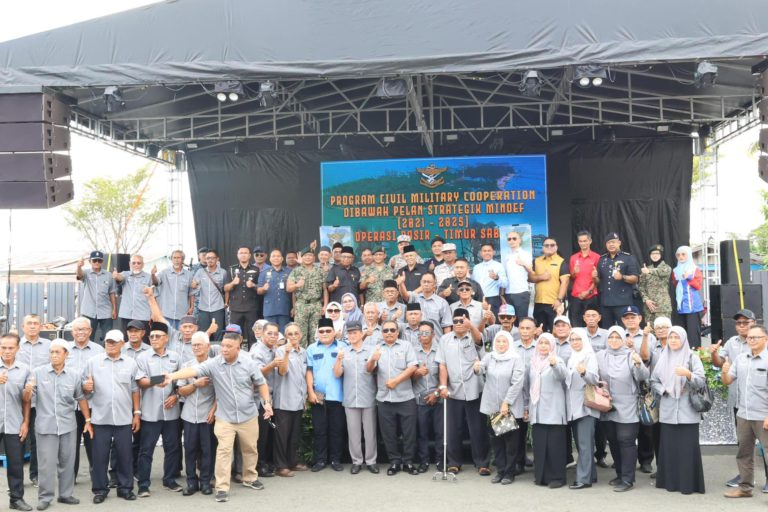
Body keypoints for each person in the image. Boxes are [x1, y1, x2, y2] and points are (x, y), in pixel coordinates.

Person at [163, 331, 274, 503]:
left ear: (238, 348)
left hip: (248, 415)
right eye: (222, 345)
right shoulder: (213, 364)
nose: (224, 349)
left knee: (250, 448)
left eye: (229, 346)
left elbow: (261, 383)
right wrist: (172, 376)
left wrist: (266, 403)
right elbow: (193, 370)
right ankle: (222, 487)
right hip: (225, 417)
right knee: (223, 451)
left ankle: (250, 477)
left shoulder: (248, 363)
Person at [25, 339, 90, 510]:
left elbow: (81, 398)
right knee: (46, 463)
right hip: (45, 426)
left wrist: (88, 420)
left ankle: (65, 494)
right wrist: (27, 390)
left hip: (68, 425)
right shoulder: (38, 373)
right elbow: (26, 399)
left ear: (66, 355)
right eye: (51, 352)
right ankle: (45, 497)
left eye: (57, 352)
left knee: (67, 461)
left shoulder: (74, 375)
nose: (53, 355)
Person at [82, 329, 141, 504]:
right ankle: (100, 490)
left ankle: (125, 488)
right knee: (99, 457)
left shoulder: (131, 363)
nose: (110, 345)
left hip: (123, 418)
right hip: (100, 418)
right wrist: (87, 387)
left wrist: (136, 413)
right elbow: (84, 390)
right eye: (108, 341)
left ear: (123, 344)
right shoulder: (93, 362)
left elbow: (135, 390)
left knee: (125, 455)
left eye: (114, 342)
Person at [709, 308, 762, 488]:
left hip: (762, 405)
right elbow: (720, 364)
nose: (741, 326)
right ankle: (745, 478)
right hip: (739, 403)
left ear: (753, 323)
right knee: (744, 444)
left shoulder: (762, 343)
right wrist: (714, 353)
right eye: (738, 323)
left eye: (745, 322)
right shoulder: (732, 343)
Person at [650, 326, 706, 495]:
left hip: (687, 411)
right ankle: (670, 482)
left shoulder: (692, 357)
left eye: (676, 337)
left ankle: (688, 484)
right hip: (668, 410)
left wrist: (688, 374)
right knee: (670, 448)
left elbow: (701, 382)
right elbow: (654, 381)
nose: (673, 340)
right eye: (671, 337)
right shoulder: (662, 357)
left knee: (687, 449)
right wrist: (664, 390)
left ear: (683, 339)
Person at [436, 308, 491, 475]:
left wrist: (471, 326)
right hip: (453, 390)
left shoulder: (473, 336)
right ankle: (454, 462)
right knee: (454, 429)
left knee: (478, 429)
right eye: (456, 321)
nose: (459, 324)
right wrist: (443, 386)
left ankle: (482, 463)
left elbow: (480, 340)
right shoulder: (445, 339)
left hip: (475, 390)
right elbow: (442, 364)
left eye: (462, 320)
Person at [596, 325, 649, 492]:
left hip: (628, 403)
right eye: (611, 337)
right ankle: (619, 473)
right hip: (607, 404)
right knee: (613, 440)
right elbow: (595, 377)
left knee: (626, 440)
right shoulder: (600, 355)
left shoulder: (630, 355)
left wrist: (639, 364)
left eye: (617, 337)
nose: (613, 341)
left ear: (623, 339)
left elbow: (643, 377)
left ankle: (628, 479)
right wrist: (601, 388)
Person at [134, 322, 182, 497]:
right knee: (146, 450)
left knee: (173, 448)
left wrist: (176, 396)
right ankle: (143, 484)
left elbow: (180, 381)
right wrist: (158, 380)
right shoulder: (142, 358)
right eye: (151, 336)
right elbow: (140, 381)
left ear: (166, 339)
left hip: (171, 412)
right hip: (150, 413)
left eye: (157, 336)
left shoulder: (175, 356)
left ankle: (169, 480)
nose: (154, 339)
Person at [367, 320, 419, 475]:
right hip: (384, 398)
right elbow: (369, 369)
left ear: (397, 332)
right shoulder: (376, 348)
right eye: (385, 330)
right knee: (389, 434)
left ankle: (408, 462)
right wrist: (372, 359)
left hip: (405, 397)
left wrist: (396, 381)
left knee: (409, 433)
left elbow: (413, 367)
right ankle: (395, 462)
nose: (389, 333)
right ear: (382, 333)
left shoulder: (406, 346)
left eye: (392, 330)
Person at [722, 324, 768, 499]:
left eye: (756, 337)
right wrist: (724, 372)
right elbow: (728, 381)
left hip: (763, 415)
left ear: (766, 339)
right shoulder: (741, 358)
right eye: (749, 337)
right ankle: (745, 488)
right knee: (744, 453)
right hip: (743, 415)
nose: (751, 340)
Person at [476, 331, 525, 485]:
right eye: (498, 341)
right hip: (493, 406)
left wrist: (507, 402)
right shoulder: (490, 356)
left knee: (510, 443)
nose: (501, 344)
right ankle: (501, 471)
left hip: (508, 408)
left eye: (504, 342)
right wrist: (477, 367)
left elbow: (517, 382)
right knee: (496, 441)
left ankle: (510, 473)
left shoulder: (516, 359)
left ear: (509, 343)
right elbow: (480, 368)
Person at [334, 322, 378, 474]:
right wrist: (339, 359)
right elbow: (337, 373)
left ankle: (371, 461)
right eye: (349, 333)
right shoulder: (343, 351)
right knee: (353, 433)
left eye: (355, 333)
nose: (352, 336)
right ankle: (357, 461)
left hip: (368, 397)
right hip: (351, 398)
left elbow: (372, 369)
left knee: (370, 432)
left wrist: (373, 360)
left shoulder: (371, 351)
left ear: (361, 334)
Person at [176, 332, 216, 496]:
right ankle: (191, 482)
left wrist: (214, 409)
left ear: (208, 346)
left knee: (208, 450)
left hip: (208, 415)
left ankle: (206, 481)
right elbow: (181, 391)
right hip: (189, 415)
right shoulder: (187, 366)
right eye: (194, 345)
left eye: (200, 344)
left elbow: (222, 393)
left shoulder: (215, 366)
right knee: (190, 450)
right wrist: (196, 384)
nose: (196, 348)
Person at [65, 318, 104, 483]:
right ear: (72, 331)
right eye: (77, 329)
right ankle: (69, 478)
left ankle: (97, 477)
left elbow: (104, 375)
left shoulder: (99, 350)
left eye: (84, 329)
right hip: (68, 406)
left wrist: (93, 385)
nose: (80, 332)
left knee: (93, 443)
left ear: (90, 331)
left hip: (91, 404)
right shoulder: (63, 349)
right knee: (69, 445)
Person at [305, 317, 347, 472]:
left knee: (337, 429)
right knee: (319, 430)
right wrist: (310, 391)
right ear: (317, 332)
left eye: (328, 330)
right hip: (318, 396)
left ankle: (335, 459)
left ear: (334, 332)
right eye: (321, 331)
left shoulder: (343, 347)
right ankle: (321, 460)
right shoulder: (311, 349)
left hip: (338, 395)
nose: (324, 333)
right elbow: (309, 371)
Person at [527, 333, 568, 488]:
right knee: (540, 445)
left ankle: (557, 477)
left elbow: (563, 376)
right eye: (541, 343)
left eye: (546, 343)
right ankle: (541, 477)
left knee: (555, 446)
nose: (543, 346)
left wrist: (554, 365)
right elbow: (528, 385)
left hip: (554, 410)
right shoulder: (533, 362)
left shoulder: (558, 360)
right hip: (537, 410)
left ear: (552, 345)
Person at [0, 332, 33, 512]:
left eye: (10, 348)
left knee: (15, 464)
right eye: (3, 347)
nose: (6, 351)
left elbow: (26, 400)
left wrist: (26, 422)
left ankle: (16, 499)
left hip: (14, 423)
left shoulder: (25, 370)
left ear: (18, 349)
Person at [564, 329, 599, 490]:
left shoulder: (589, 356)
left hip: (586, 406)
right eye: (572, 339)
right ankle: (591, 474)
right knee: (581, 444)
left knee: (584, 444)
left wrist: (584, 372)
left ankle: (583, 479)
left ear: (584, 340)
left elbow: (595, 379)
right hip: (573, 406)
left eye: (578, 339)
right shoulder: (572, 357)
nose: (575, 342)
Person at [18, 314, 51, 488]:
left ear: (41, 327)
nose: (32, 326)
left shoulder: (49, 346)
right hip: (18, 400)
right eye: (29, 323)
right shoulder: (15, 346)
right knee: (17, 439)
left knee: (38, 438)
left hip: (40, 401)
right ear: (22, 326)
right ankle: (16, 478)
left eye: (36, 323)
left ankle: (35, 474)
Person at [271, 323, 308, 477]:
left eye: (295, 333)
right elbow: (282, 371)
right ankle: (281, 466)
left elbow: (304, 376)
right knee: (282, 435)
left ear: (300, 335)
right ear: (286, 336)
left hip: (298, 399)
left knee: (294, 434)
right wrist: (286, 354)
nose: (293, 337)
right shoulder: (280, 351)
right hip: (284, 400)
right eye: (290, 334)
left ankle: (292, 461)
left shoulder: (304, 352)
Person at [248, 323, 282, 478]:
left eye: (276, 334)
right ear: (261, 334)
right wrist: (273, 364)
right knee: (260, 434)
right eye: (270, 333)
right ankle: (259, 465)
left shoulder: (274, 349)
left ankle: (265, 462)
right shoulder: (257, 350)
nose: (273, 336)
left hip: (271, 397)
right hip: (259, 399)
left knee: (268, 432)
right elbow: (257, 373)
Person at [412, 321, 443, 473]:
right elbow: (407, 378)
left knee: (439, 432)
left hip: (438, 397)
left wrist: (436, 393)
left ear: (433, 334)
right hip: (419, 399)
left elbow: (446, 377)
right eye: (421, 333)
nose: (423, 336)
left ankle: (440, 460)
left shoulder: (440, 351)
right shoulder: (412, 352)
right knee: (422, 433)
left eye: (426, 333)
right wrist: (417, 374)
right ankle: (423, 461)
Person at [595, 233, 640, 328]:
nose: (611, 245)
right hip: (606, 302)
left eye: (613, 242)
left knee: (624, 330)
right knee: (607, 331)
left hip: (622, 302)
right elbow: (598, 282)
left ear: (619, 243)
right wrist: (594, 277)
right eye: (608, 243)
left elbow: (635, 279)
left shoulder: (628, 258)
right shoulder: (602, 259)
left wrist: (622, 277)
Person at [525, 237, 569, 333]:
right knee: (539, 331)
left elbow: (565, 282)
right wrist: (541, 277)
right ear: (543, 248)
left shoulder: (561, 262)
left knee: (557, 331)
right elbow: (530, 278)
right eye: (546, 245)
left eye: (552, 245)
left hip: (554, 303)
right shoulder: (536, 261)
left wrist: (559, 299)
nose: (549, 247)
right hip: (539, 302)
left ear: (556, 247)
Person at [512, 316, 538, 475]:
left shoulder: (541, 347)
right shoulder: (512, 347)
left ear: (535, 330)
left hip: (537, 396)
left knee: (538, 430)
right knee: (518, 432)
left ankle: (540, 462)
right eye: (522, 328)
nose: (525, 331)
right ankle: (518, 462)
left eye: (528, 328)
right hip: (518, 395)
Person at [287, 247, 327, 347]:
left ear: (314, 257)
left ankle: (314, 358)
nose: (308, 258)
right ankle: (300, 358)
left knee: (315, 334)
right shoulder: (296, 271)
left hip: (316, 305)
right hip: (301, 305)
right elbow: (289, 289)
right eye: (305, 256)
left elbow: (325, 290)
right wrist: (297, 285)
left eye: (310, 255)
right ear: (302, 257)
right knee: (300, 334)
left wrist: (325, 305)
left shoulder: (320, 271)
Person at [76, 251, 117, 344]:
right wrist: (79, 266)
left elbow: (112, 293)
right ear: (90, 261)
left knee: (108, 337)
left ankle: (106, 355)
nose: (97, 262)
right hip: (89, 311)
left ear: (102, 262)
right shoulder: (86, 273)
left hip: (105, 311)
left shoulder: (109, 275)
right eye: (94, 260)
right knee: (87, 336)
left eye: (99, 260)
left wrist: (114, 309)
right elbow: (79, 275)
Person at [224, 247, 260, 347]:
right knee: (234, 333)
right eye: (241, 253)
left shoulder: (255, 269)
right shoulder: (232, 269)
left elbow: (260, 288)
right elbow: (225, 288)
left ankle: (253, 355)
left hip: (251, 307)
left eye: (246, 253)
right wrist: (233, 283)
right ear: (237, 255)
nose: (243, 255)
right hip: (236, 307)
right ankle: (235, 354)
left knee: (252, 333)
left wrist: (253, 285)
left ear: (249, 255)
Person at [191, 250, 228, 341]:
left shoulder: (223, 272)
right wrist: (194, 284)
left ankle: (217, 354)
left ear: (217, 259)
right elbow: (193, 286)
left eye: (212, 258)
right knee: (203, 334)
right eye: (208, 258)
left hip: (218, 308)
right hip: (203, 308)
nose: (210, 260)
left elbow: (226, 289)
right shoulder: (200, 272)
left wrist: (226, 302)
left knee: (218, 334)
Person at [671, 246, 704, 348]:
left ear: (688, 255)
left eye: (683, 254)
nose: (680, 257)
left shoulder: (695, 269)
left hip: (693, 307)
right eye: (678, 255)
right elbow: (676, 285)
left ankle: (695, 356)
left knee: (693, 334)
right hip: (680, 306)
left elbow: (698, 286)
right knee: (681, 333)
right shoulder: (675, 270)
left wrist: (689, 278)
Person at [154, 250, 194, 331]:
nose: (176, 260)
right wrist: (152, 274)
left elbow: (191, 293)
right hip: (166, 313)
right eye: (174, 258)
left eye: (178, 258)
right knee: (166, 337)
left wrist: (192, 307)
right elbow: (155, 282)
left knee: (180, 337)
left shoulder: (189, 275)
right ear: (171, 259)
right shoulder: (164, 272)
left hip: (182, 313)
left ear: (182, 260)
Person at [113, 255, 154, 332]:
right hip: (126, 315)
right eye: (134, 263)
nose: (136, 265)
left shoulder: (149, 277)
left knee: (143, 340)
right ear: (129, 264)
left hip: (143, 316)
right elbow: (120, 278)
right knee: (126, 340)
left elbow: (154, 296)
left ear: (143, 264)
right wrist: (116, 276)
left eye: (139, 263)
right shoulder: (125, 274)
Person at [568, 231, 600, 327]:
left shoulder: (597, 257)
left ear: (590, 241)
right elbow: (572, 278)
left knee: (591, 324)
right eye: (580, 241)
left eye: (585, 241)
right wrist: (574, 272)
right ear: (578, 242)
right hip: (576, 296)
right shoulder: (573, 258)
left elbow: (598, 280)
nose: (583, 243)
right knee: (576, 324)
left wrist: (588, 291)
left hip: (591, 296)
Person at [257, 250, 292, 333]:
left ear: (282, 258)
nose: (276, 258)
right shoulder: (264, 273)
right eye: (273, 256)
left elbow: (294, 291)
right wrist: (263, 289)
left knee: (284, 336)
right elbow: (258, 291)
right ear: (270, 259)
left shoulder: (289, 272)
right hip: (270, 310)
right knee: (270, 335)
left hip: (284, 309)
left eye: (278, 256)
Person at [638, 244, 673, 327]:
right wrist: (646, 300)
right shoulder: (646, 269)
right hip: (649, 308)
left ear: (661, 255)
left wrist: (648, 271)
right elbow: (641, 287)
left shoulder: (666, 267)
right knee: (651, 333)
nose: (655, 255)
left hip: (663, 307)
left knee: (663, 331)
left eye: (657, 253)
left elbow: (660, 272)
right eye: (653, 254)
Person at [470, 243, 507, 316]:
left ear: (493, 252)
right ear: (481, 253)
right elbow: (473, 284)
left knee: (493, 323)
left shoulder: (499, 266)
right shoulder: (476, 267)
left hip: (492, 299)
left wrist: (497, 278)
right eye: (484, 251)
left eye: (489, 251)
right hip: (477, 300)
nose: (487, 252)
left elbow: (505, 284)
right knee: (479, 322)